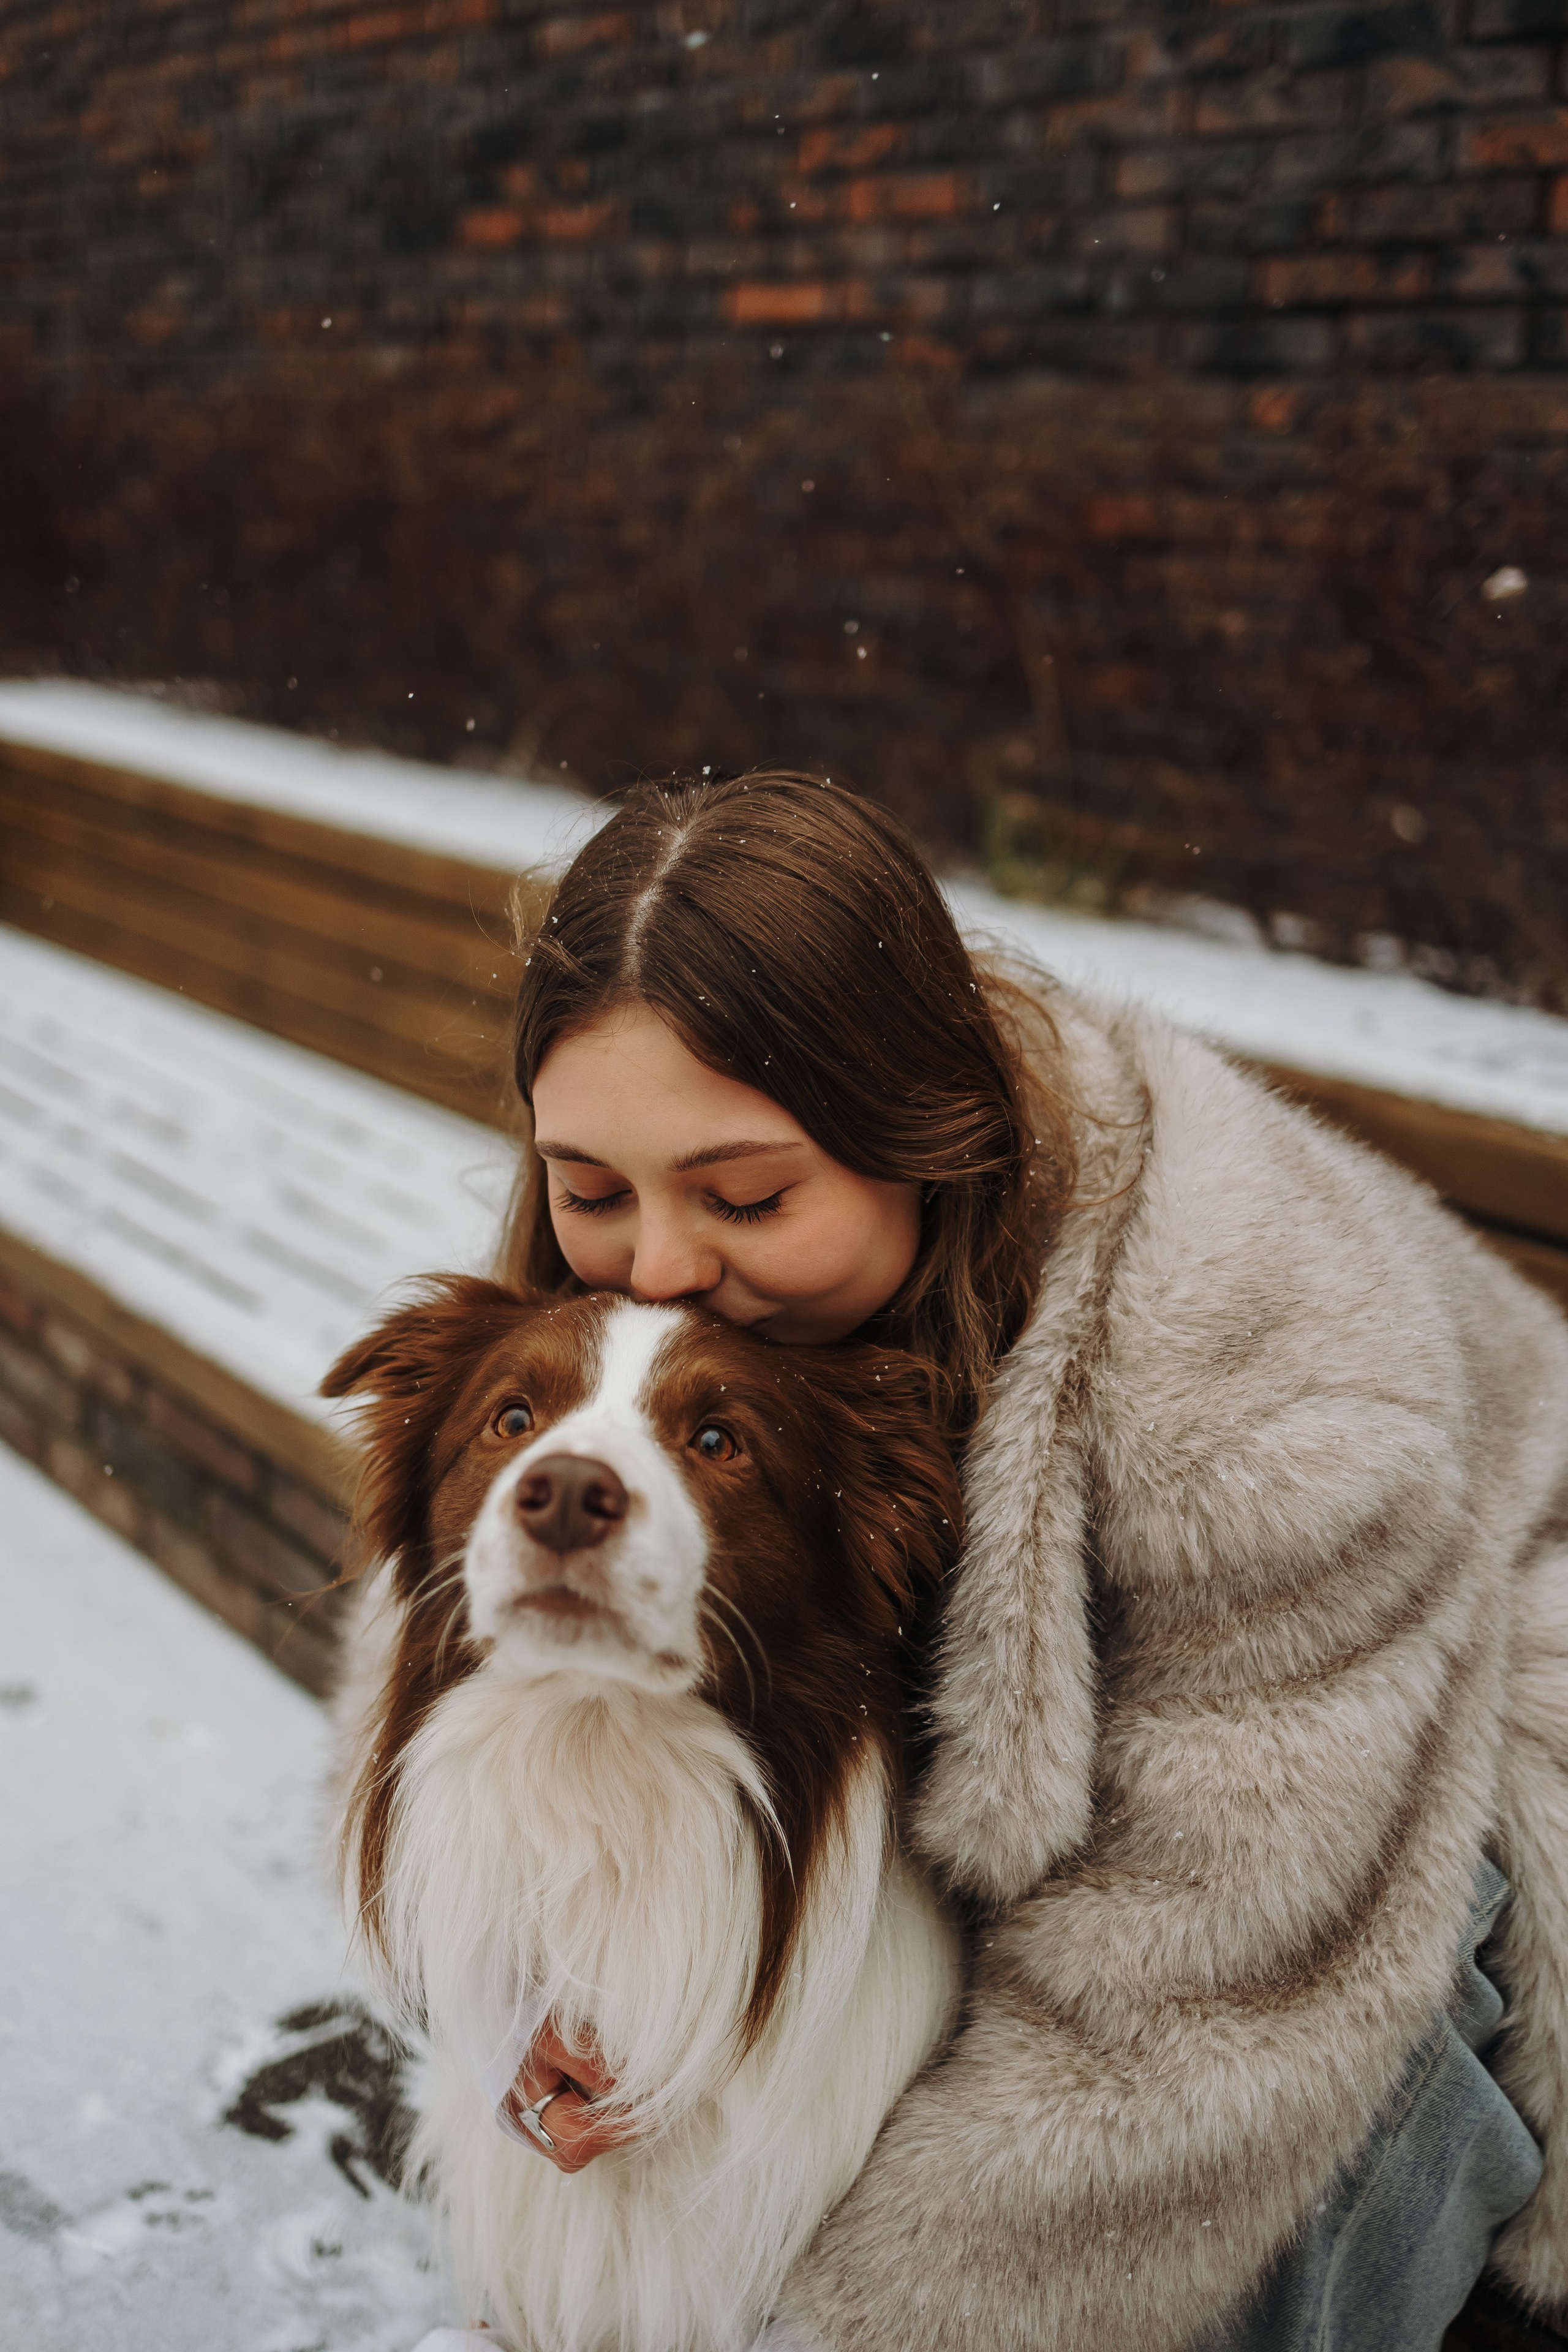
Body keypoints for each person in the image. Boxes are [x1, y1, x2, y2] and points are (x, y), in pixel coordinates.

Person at [486, 771, 1568, 2351]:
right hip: (1139, 1839)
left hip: (1435, 1803)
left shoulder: (1258, 1388)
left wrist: (871, 2329)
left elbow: (1213, 2003)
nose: (656, 1269)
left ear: (927, 1141)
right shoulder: (670, 1274)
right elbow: (466, 1645)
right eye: (590, 1190)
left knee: (1366, 2039)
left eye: (746, 1197)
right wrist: (561, 1984)